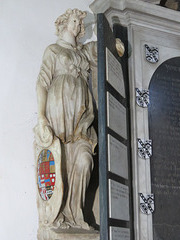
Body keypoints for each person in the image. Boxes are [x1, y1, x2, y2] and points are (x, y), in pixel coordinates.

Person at [34, 8, 97, 230]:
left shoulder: (83, 53)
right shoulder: (53, 50)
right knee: (59, 164)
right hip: (57, 114)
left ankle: (76, 215)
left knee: (84, 160)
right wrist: (41, 116)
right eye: (75, 21)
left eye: (81, 23)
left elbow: (102, 51)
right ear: (63, 23)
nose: (79, 26)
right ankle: (58, 216)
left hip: (81, 120)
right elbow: (42, 83)